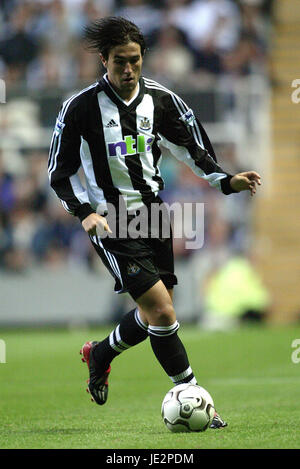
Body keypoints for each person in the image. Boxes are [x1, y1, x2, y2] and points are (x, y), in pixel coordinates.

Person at [48, 16, 261, 429]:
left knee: (153, 316)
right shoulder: (80, 108)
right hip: (112, 222)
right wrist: (83, 212)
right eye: (118, 63)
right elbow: (59, 172)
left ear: (143, 57)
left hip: (153, 217)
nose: (128, 70)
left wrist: (227, 180)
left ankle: (102, 354)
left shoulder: (161, 101)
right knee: (162, 311)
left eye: (135, 61)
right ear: (103, 61)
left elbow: (191, 147)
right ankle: (197, 397)